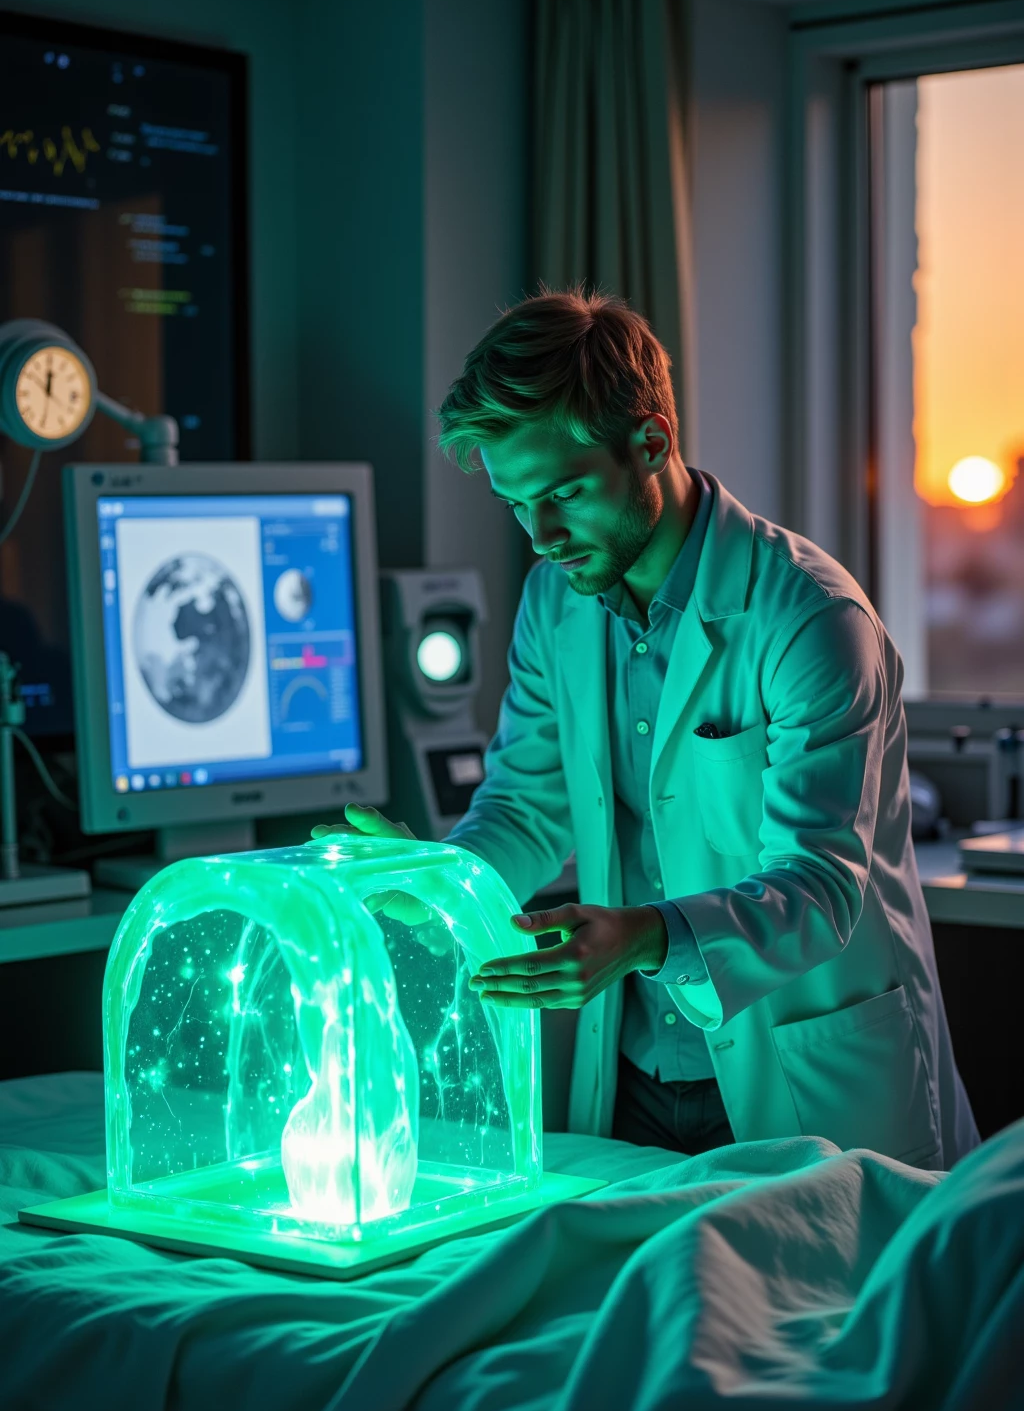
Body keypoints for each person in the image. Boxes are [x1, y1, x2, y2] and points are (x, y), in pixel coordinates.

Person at [314, 288, 978, 1169]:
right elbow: (525, 811)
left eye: (565, 494)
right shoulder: (559, 599)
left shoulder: (809, 619)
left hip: (801, 1072)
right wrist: (430, 877)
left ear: (652, 443)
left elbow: (821, 888)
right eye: (518, 505)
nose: (542, 535)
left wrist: (646, 936)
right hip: (631, 1081)